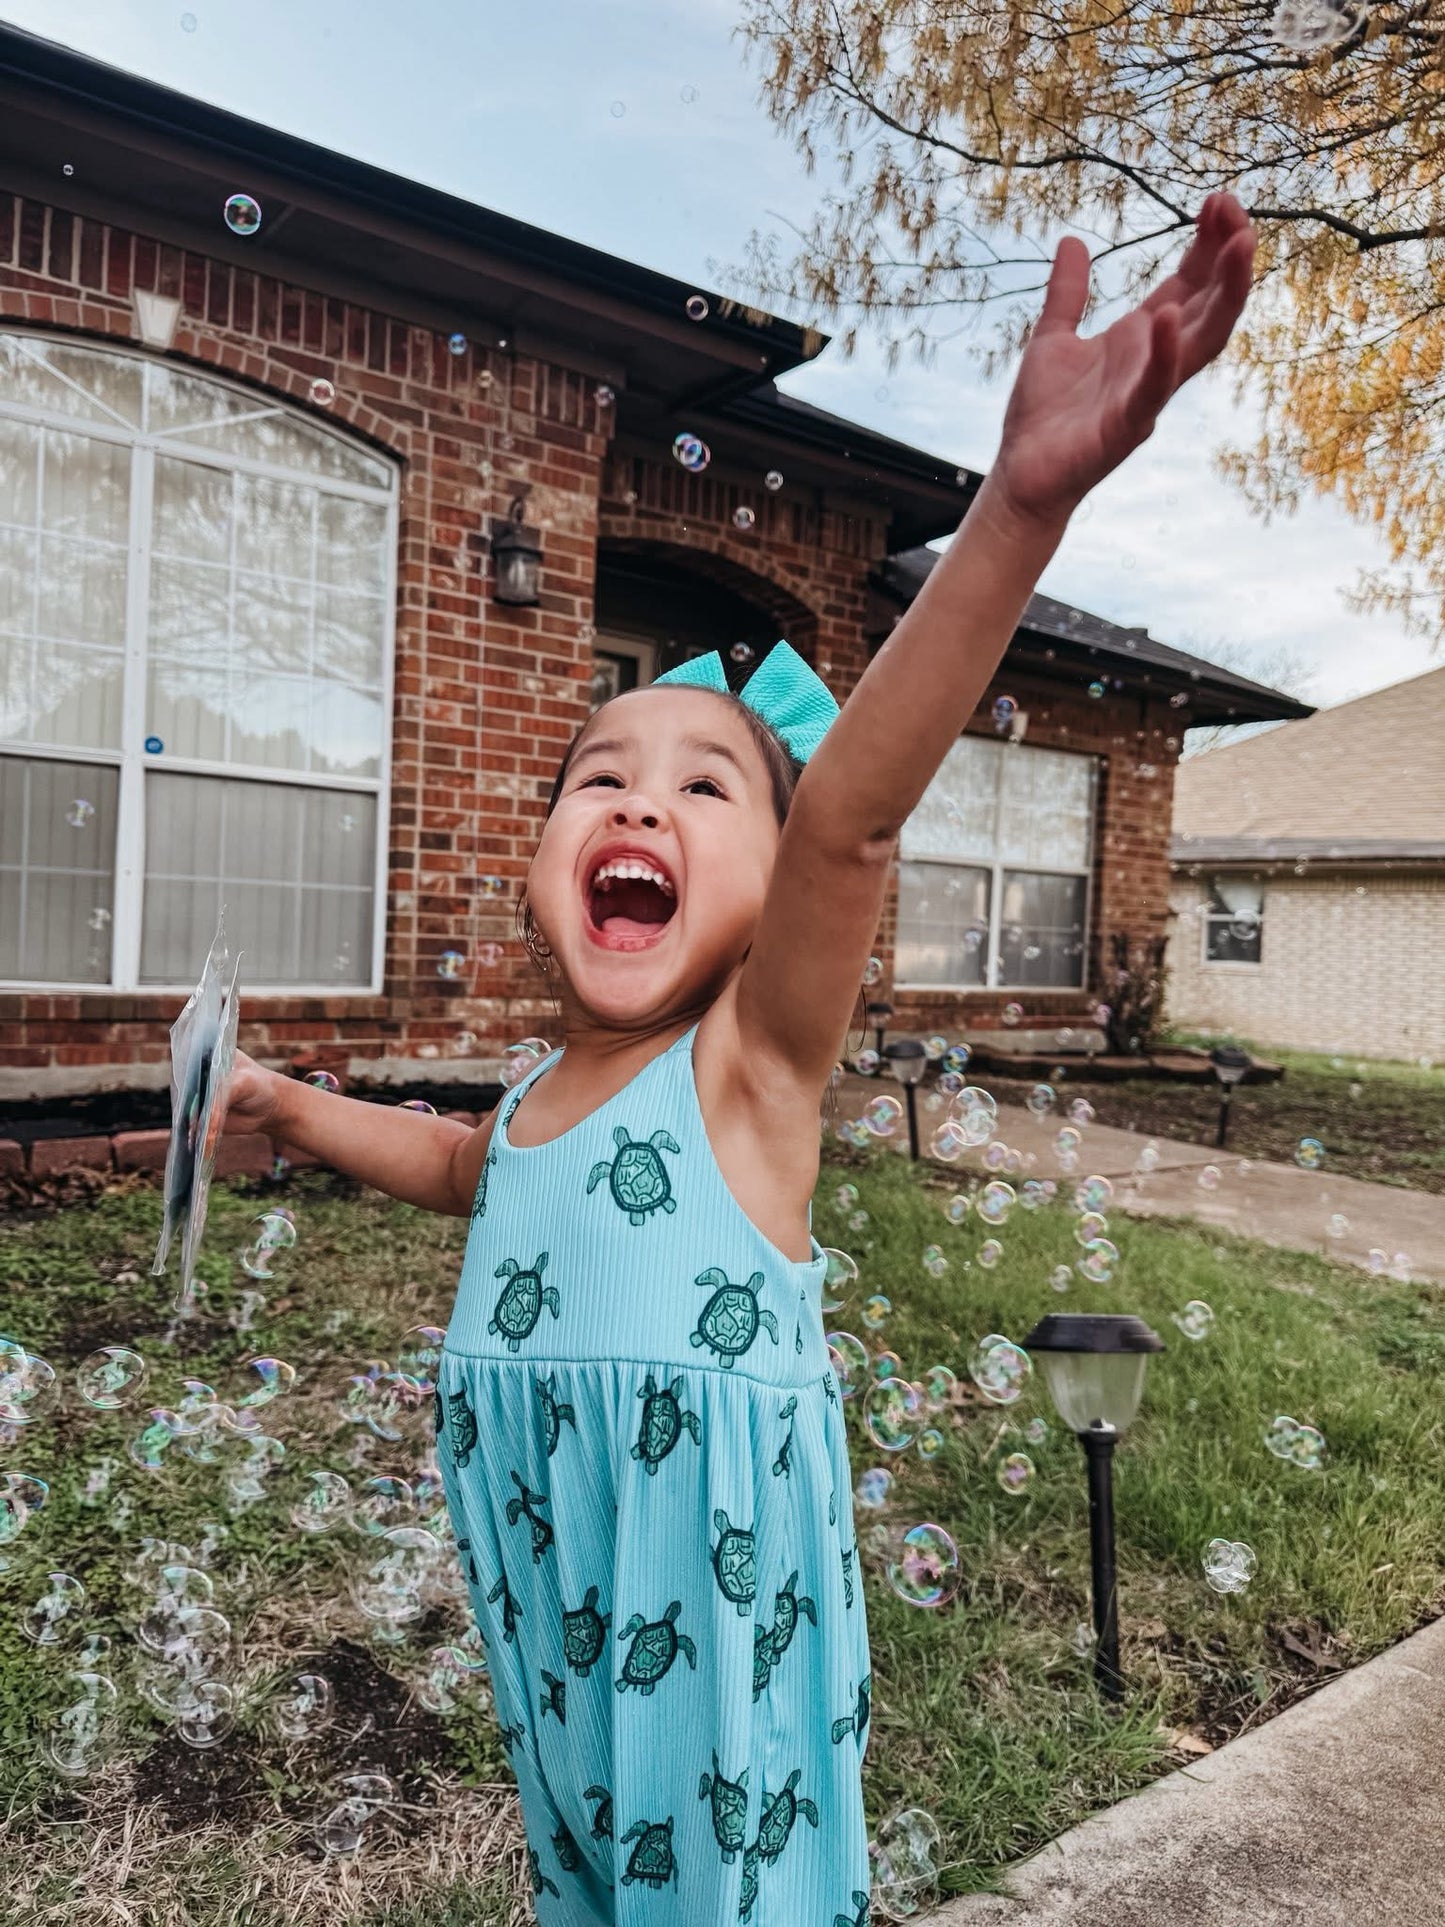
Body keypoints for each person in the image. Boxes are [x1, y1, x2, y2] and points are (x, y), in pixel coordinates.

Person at [223, 193, 1256, 1925]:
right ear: (547, 864)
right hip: (552, 1577)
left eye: (708, 783)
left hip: (707, 1615)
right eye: (599, 773)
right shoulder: (541, 1102)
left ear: (781, 902)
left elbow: (850, 816)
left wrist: (1014, 509)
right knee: (592, 1868)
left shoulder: (748, 1077)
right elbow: (458, 1166)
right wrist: (283, 1103)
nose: (639, 794)